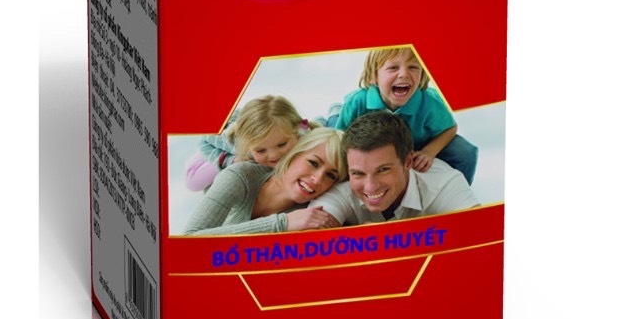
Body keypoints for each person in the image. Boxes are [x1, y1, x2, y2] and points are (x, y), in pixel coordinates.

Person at [337, 46, 479, 184]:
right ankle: (335, 111)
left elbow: (450, 128)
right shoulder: (358, 101)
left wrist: (429, 151)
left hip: (419, 141)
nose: (404, 74)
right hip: (378, 142)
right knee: (334, 141)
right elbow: (340, 135)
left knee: (465, 152)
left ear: (422, 74)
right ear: (374, 76)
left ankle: (459, 190)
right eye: (393, 68)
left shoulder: (430, 104)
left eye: (413, 67)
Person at [314, 111, 479, 224]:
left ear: (408, 162)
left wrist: (390, 238)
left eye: (383, 170)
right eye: (358, 173)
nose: (370, 186)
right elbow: (311, 238)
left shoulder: (444, 182)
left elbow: (482, 231)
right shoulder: (341, 187)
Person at [183, 127, 344, 235]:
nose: (318, 179)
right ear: (293, 154)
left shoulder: (310, 215)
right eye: (313, 163)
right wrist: (282, 224)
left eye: (331, 175)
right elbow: (188, 240)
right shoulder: (242, 176)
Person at [184, 95, 315, 192]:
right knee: (193, 183)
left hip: (250, 127)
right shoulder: (237, 143)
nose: (274, 155)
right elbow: (204, 141)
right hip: (222, 141)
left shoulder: (302, 133)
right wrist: (228, 160)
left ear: (296, 132)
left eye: (281, 144)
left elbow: (319, 122)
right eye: (261, 150)